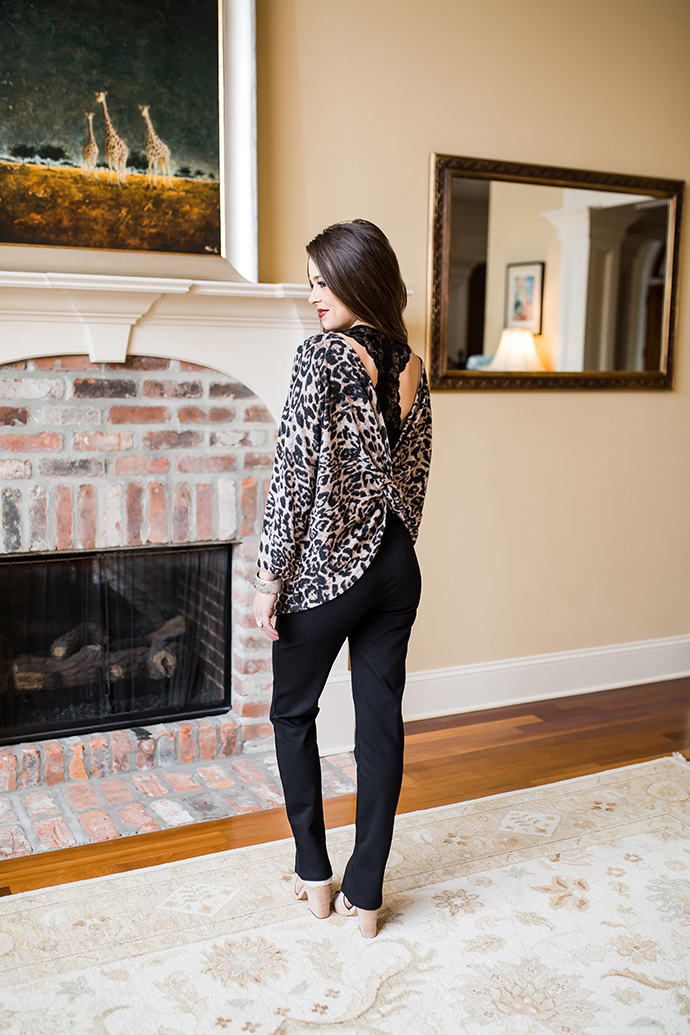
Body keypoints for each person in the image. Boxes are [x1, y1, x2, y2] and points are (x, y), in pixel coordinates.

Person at [253, 219, 432, 938]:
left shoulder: (321, 354)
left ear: (359, 279)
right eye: (311, 283)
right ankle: (367, 891)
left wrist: (270, 578)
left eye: (323, 282)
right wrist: (392, 548)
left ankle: (314, 872)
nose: (313, 297)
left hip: (330, 569)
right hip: (396, 565)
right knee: (379, 724)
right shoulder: (413, 362)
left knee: (292, 714)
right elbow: (415, 474)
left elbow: (293, 473)